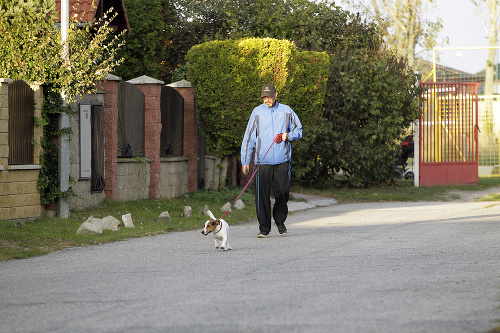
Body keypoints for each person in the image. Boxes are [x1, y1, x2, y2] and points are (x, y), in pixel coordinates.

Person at [241, 83, 302, 238]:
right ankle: (264, 228)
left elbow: (298, 130)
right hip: (263, 162)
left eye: (269, 96)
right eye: (264, 97)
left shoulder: (286, 110)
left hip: (283, 160)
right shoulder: (257, 112)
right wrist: (245, 161)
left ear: (276, 95)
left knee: (282, 192)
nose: (267, 100)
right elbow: (249, 138)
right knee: (262, 195)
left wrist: (287, 136)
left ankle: (280, 221)